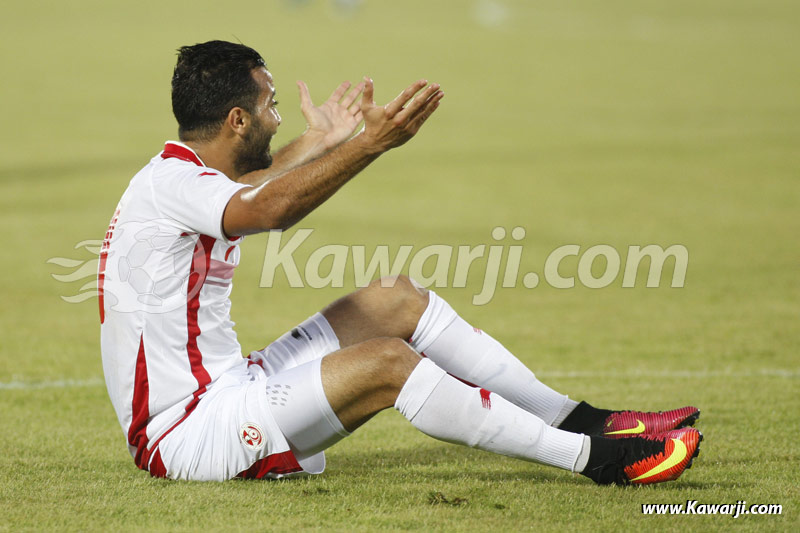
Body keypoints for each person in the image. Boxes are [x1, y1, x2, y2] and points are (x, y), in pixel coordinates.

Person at [99, 40, 702, 484]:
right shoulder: (174, 187)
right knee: (389, 364)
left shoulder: (181, 177)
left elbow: (255, 187)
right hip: (187, 434)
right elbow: (269, 209)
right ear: (237, 120)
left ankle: (588, 421)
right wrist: (368, 145)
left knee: (394, 299)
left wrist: (322, 141)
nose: (278, 116)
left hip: (230, 389)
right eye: (270, 105)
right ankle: (598, 462)